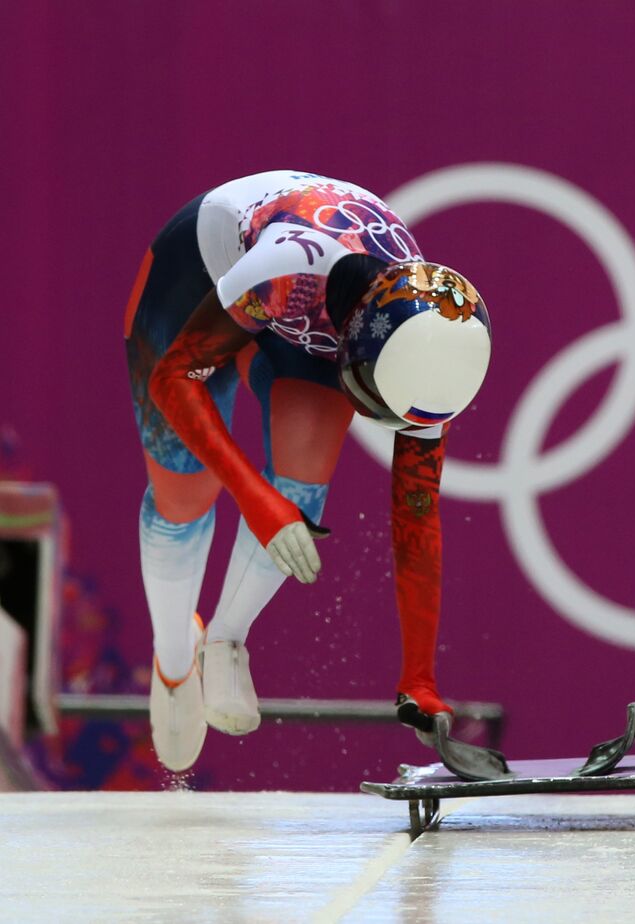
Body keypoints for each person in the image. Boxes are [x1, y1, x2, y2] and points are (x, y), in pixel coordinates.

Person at [124, 171, 492, 771]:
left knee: (303, 484)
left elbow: (417, 514)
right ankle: (173, 658)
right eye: (371, 398)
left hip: (312, 307)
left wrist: (420, 678)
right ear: (354, 347)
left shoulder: (430, 350)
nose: (379, 420)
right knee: (186, 494)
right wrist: (255, 500)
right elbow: (173, 378)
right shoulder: (285, 272)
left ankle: (226, 639)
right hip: (199, 274)